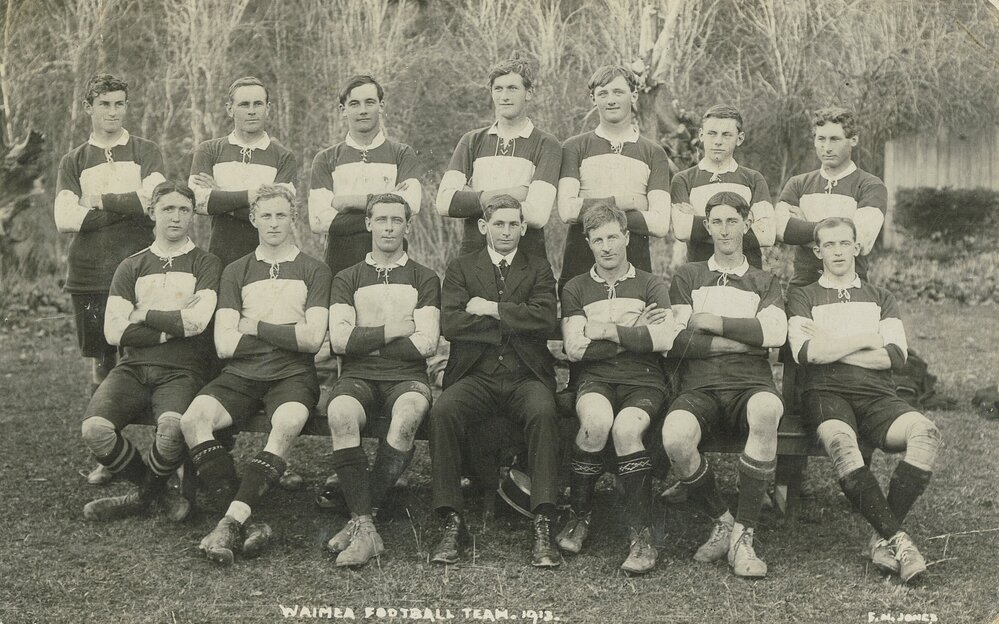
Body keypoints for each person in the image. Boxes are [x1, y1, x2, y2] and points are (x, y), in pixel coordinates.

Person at [179, 185, 331, 566]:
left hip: (293, 375)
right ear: (253, 219)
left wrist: (257, 326)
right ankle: (247, 518)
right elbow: (225, 345)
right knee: (194, 419)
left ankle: (230, 521)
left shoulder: (315, 269)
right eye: (266, 216)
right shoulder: (236, 270)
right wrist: (286, 335)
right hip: (241, 373)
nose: (274, 223)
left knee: (289, 421)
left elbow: (312, 341)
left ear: (293, 218)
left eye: (282, 215)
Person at [787, 216, 940, 584]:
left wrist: (834, 343)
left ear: (857, 247)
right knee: (842, 443)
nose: (837, 251)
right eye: (829, 245)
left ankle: (881, 536)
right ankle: (900, 541)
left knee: (926, 433)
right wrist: (866, 339)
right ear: (817, 251)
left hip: (877, 394)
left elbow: (895, 357)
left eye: (844, 243)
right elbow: (807, 353)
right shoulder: (803, 295)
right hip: (825, 393)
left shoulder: (880, 297)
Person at [429, 194, 562, 568]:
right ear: (484, 227)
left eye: (513, 224)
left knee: (544, 411)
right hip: (477, 375)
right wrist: (514, 322)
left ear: (523, 227)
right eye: (498, 224)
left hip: (525, 375)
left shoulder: (538, 268)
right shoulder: (461, 267)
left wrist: (490, 309)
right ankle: (450, 520)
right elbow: (451, 323)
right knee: (444, 411)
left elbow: (544, 320)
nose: (506, 231)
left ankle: (543, 521)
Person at [661, 191, 786, 579]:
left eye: (733, 221)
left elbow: (776, 333)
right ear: (706, 226)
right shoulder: (688, 275)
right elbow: (677, 341)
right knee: (675, 438)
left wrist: (713, 322)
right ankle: (723, 520)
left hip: (750, 382)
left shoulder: (764, 280)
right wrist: (744, 339)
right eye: (717, 221)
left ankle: (744, 538)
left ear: (747, 225)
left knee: (768, 409)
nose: (725, 229)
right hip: (699, 385)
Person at [81, 181, 220, 522]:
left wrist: (141, 314)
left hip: (183, 369)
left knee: (171, 430)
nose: (176, 217)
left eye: (184, 210)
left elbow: (196, 323)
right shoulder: (131, 266)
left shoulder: (206, 263)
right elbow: (114, 331)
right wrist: (166, 330)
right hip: (133, 367)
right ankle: (155, 488)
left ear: (193, 216)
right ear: (152, 213)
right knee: (94, 430)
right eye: (167, 209)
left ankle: (141, 499)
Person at [54, 72, 166, 485]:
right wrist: (128, 206)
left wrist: (97, 202)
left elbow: (152, 202)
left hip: (140, 271)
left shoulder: (145, 151)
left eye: (119, 104)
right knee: (103, 363)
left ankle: (163, 454)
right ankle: (110, 454)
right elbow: (65, 219)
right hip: (90, 276)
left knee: (152, 358)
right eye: (104, 104)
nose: (113, 112)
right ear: (89, 108)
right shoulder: (74, 159)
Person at [324, 193, 441, 567]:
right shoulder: (347, 277)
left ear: (408, 226)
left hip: (407, 379)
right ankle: (367, 527)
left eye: (397, 220)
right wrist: (393, 329)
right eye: (382, 219)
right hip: (357, 376)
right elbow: (340, 341)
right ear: (368, 224)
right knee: (341, 413)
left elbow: (425, 343)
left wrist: (367, 341)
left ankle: (360, 519)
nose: (389, 227)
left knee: (407, 417)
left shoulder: (424, 277)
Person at [558, 201, 673, 574]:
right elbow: (575, 349)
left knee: (626, 428)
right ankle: (580, 516)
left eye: (612, 237)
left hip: (645, 379)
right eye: (597, 240)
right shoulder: (575, 287)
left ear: (626, 237)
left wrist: (605, 330)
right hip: (594, 378)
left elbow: (664, 339)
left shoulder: (651, 283)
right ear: (588, 243)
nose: (606, 246)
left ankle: (641, 536)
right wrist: (634, 331)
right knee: (595, 422)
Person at [557, 64, 671, 293]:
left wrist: (588, 207)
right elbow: (567, 210)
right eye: (603, 93)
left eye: (618, 92)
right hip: (581, 258)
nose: (611, 100)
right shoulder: (573, 147)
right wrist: (624, 202)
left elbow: (659, 224)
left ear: (634, 95)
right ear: (593, 98)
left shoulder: (654, 153)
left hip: (635, 260)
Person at [436, 58, 561, 262]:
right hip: (474, 256)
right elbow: (444, 203)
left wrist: (474, 198)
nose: (504, 96)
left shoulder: (547, 144)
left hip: (526, 259)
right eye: (498, 89)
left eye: (512, 88)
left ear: (529, 93)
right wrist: (517, 193)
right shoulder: (471, 140)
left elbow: (537, 215)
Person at [309, 74, 423, 278]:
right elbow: (318, 220)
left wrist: (346, 203)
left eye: (369, 102)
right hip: (340, 262)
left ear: (381, 105)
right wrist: (386, 202)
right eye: (354, 103)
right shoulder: (326, 158)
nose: (362, 110)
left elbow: (411, 204)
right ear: (343, 110)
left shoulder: (402, 153)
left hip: (392, 261)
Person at [188, 76, 298, 269]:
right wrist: (253, 196)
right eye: (244, 104)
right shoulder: (208, 150)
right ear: (230, 109)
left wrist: (221, 196)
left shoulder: (283, 157)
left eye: (258, 104)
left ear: (268, 108)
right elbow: (198, 202)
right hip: (222, 257)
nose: (252, 111)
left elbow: (280, 210)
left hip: (270, 260)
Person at [774, 107, 887, 287]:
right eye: (821, 139)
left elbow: (861, 240)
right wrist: (839, 229)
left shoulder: (870, 186)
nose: (827, 148)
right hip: (804, 286)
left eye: (835, 139)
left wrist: (804, 229)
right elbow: (779, 230)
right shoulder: (798, 184)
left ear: (853, 140)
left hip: (850, 286)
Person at [671, 104, 775, 269]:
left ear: (739, 138)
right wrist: (742, 225)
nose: (718, 141)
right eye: (712, 134)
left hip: (747, 277)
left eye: (726, 135)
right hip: (701, 276)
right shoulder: (683, 180)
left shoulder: (753, 179)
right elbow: (683, 230)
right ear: (701, 135)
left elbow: (767, 235)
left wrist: (697, 224)